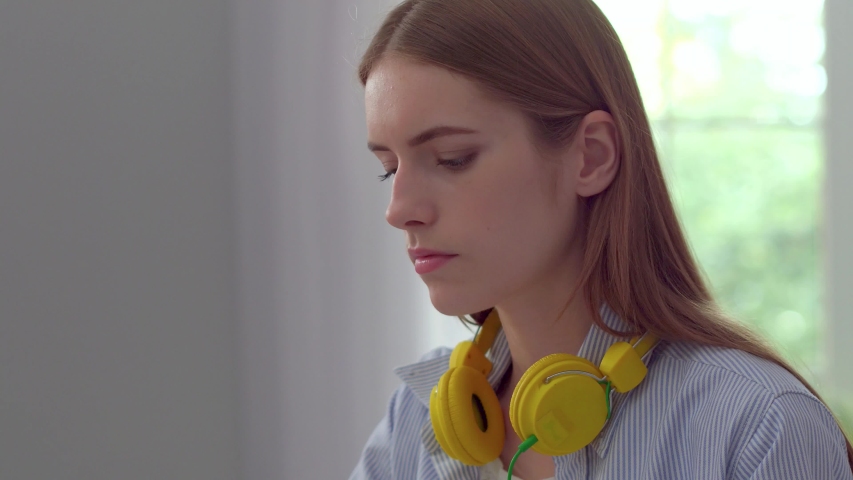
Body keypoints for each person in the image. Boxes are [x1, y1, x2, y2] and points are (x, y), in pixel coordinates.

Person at [350, 0, 853, 479]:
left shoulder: (757, 427)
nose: (399, 211)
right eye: (388, 169)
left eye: (452, 158)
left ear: (590, 156)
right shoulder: (413, 423)